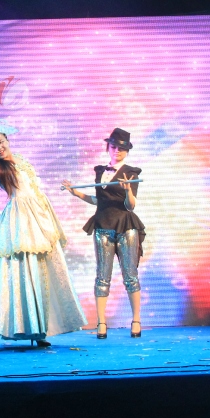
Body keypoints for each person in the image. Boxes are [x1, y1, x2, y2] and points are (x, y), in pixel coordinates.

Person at [0, 119, 86, 350]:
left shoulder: (21, 161)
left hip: (39, 217)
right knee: (13, 271)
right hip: (19, 220)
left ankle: (39, 329)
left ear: (7, 140)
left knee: (41, 270)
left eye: (1, 142)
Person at [61, 127, 145, 339]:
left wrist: (127, 190)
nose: (117, 151)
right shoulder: (99, 171)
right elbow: (99, 200)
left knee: (130, 275)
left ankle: (136, 320)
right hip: (103, 225)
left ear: (127, 151)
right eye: (114, 146)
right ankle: (101, 323)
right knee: (102, 277)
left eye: (121, 148)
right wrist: (76, 193)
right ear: (108, 147)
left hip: (125, 226)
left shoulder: (131, 172)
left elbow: (130, 205)